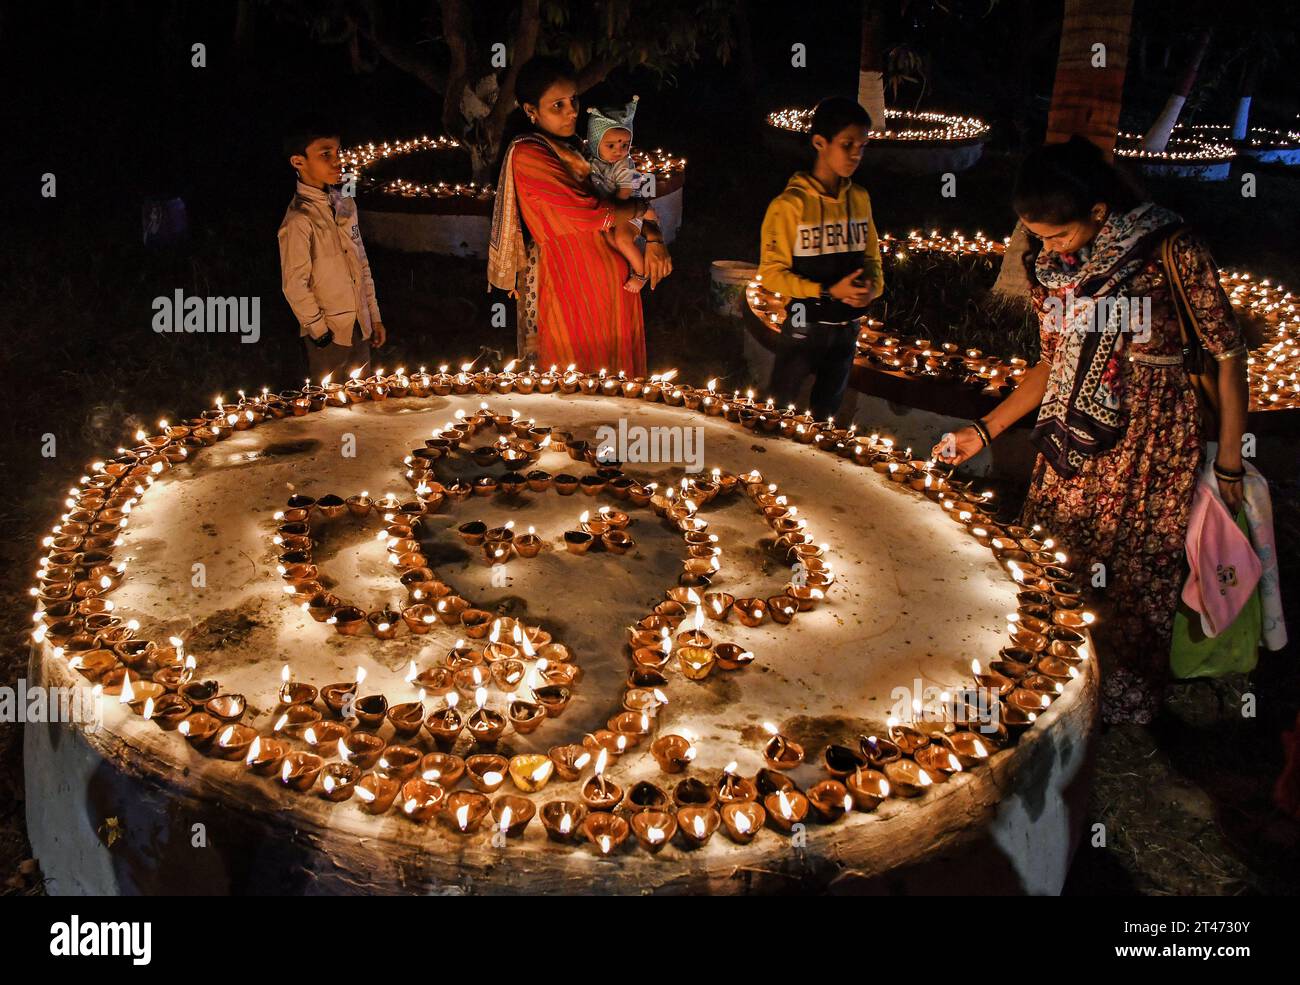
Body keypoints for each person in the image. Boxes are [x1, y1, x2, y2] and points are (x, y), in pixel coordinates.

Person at [933, 135, 1250, 726]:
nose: (1046, 246)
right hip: (1071, 437)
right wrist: (987, 428)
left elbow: (1228, 355)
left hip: (1150, 440)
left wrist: (1228, 462)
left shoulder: (1169, 249)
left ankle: (1116, 696)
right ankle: (1041, 680)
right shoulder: (1052, 269)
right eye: (1036, 234)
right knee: (1054, 554)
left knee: (1133, 568)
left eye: (1058, 233)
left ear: (1099, 213)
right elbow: (1053, 361)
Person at [488, 58, 672, 374]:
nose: (571, 111)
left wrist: (654, 238)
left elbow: (622, 196)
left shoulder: (575, 150)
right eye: (557, 105)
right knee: (575, 386)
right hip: (571, 282)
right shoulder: (529, 154)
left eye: (573, 99)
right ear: (531, 110)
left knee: (616, 386)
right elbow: (591, 213)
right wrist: (641, 210)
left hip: (615, 280)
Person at [757, 96, 884, 422]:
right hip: (804, 322)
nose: (857, 153)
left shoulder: (860, 198)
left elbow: (872, 256)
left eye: (862, 145)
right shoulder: (789, 206)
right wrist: (828, 291)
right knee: (779, 405)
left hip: (848, 326)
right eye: (847, 144)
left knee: (826, 413)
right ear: (819, 142)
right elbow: (771, 274)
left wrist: (873, 288)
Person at [277, 121, 386, 382]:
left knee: (364, 400)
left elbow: (362, 264)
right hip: (329, 335)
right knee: (332, 411)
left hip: (360, 327)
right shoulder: (299, 220)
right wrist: (320, 332)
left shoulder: (346, 205)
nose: (337, 161)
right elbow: (294, 284)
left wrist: (374, 317)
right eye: (325, 154)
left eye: (337, 152)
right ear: (298, 161)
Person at [585, 96, 654, 292]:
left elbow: (626, 191)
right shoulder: (592, 161)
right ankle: (625, 266)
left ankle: (641, 275)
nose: (619, 150)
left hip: (630, 208)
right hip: (614, 211)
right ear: (595, 143)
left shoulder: (624, 165)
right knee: (609, 240)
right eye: (611, 145)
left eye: (625, 144)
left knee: (622, 239)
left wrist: (613, 215)